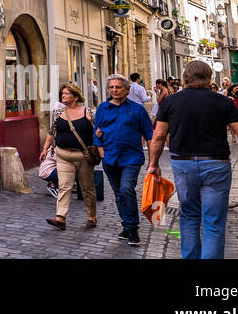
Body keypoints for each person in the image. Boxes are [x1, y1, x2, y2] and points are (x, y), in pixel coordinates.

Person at [147, 60, 238, 260]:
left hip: (183, 163)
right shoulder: (223, 102)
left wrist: (153, 164)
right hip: (216, 163)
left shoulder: (170, 102)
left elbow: (159, 136)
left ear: (185, 77)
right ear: (209, 78)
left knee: (188, 215)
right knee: (213, 220)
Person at [94, 73, 154, 246]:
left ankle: (132, 228)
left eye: (118, 87)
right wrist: (102, 153)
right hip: (110, 158)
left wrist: (153, 161)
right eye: (111, 87)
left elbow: (149, 136)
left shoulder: (137, 109)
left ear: (127, 90)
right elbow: (97, 133)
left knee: (127, 189)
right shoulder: (103, 108)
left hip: (131, 158)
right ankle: (127, 226)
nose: (114, 90)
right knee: (119, 194)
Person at [40, 82, 97, 231]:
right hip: (63, 155)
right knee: (64, 186)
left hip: (83, 156)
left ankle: (91, 216)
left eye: (66, 93)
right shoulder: (58, 113)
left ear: (76, 96)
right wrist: (45, 149)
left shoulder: (88, 112)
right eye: (62, 94)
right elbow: (52, 132)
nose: (63, 96)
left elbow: (96, 133)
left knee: (87, 187)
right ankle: (60, 218)